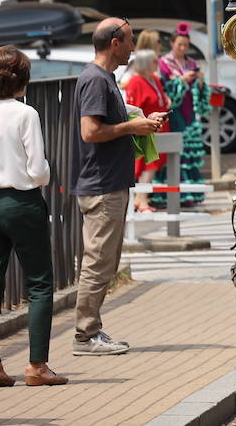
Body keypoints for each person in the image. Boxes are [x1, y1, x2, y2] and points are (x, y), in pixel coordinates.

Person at [71, 18, 164, 356]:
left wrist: (136, 124)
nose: (133, 47)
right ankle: (85, 335)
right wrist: (130, 127)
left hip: (107, 181)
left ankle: (91, 330)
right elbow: (90, 132)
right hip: (101, 184)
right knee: (98, 262)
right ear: (114, 43)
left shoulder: (102, 78)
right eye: (129, 40)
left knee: (104, 261)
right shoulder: (96, 80)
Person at [0, 47, 67, 386]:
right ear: (23, 79)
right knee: (39, 283)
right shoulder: (26, 114)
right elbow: (38, 171)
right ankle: (37, 365)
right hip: (22, 201)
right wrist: (47, 172)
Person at [159, 24, 207, 207]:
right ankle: (174, 194)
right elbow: (165, 89)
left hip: (189, 110)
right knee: (176, 150)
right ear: (172, 43)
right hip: (175, 111)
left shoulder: (192, 63)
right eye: (179, 44)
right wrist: (181, 80)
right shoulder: (164, 63)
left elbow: (201, 91)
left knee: (189, 150)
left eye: (185, 45)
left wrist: (200, 80)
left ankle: (190, 193)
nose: (182, 48)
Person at [123, 50, 170, 213]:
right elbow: (134, 108)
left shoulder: (154, 79)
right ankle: (141, 200)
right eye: (154, 62)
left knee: (153, 166)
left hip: (159, 127)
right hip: (145, 129)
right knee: (148, 166)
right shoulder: (135, 82)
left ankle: (140, 199)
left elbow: (161, 99)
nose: (157, 65)